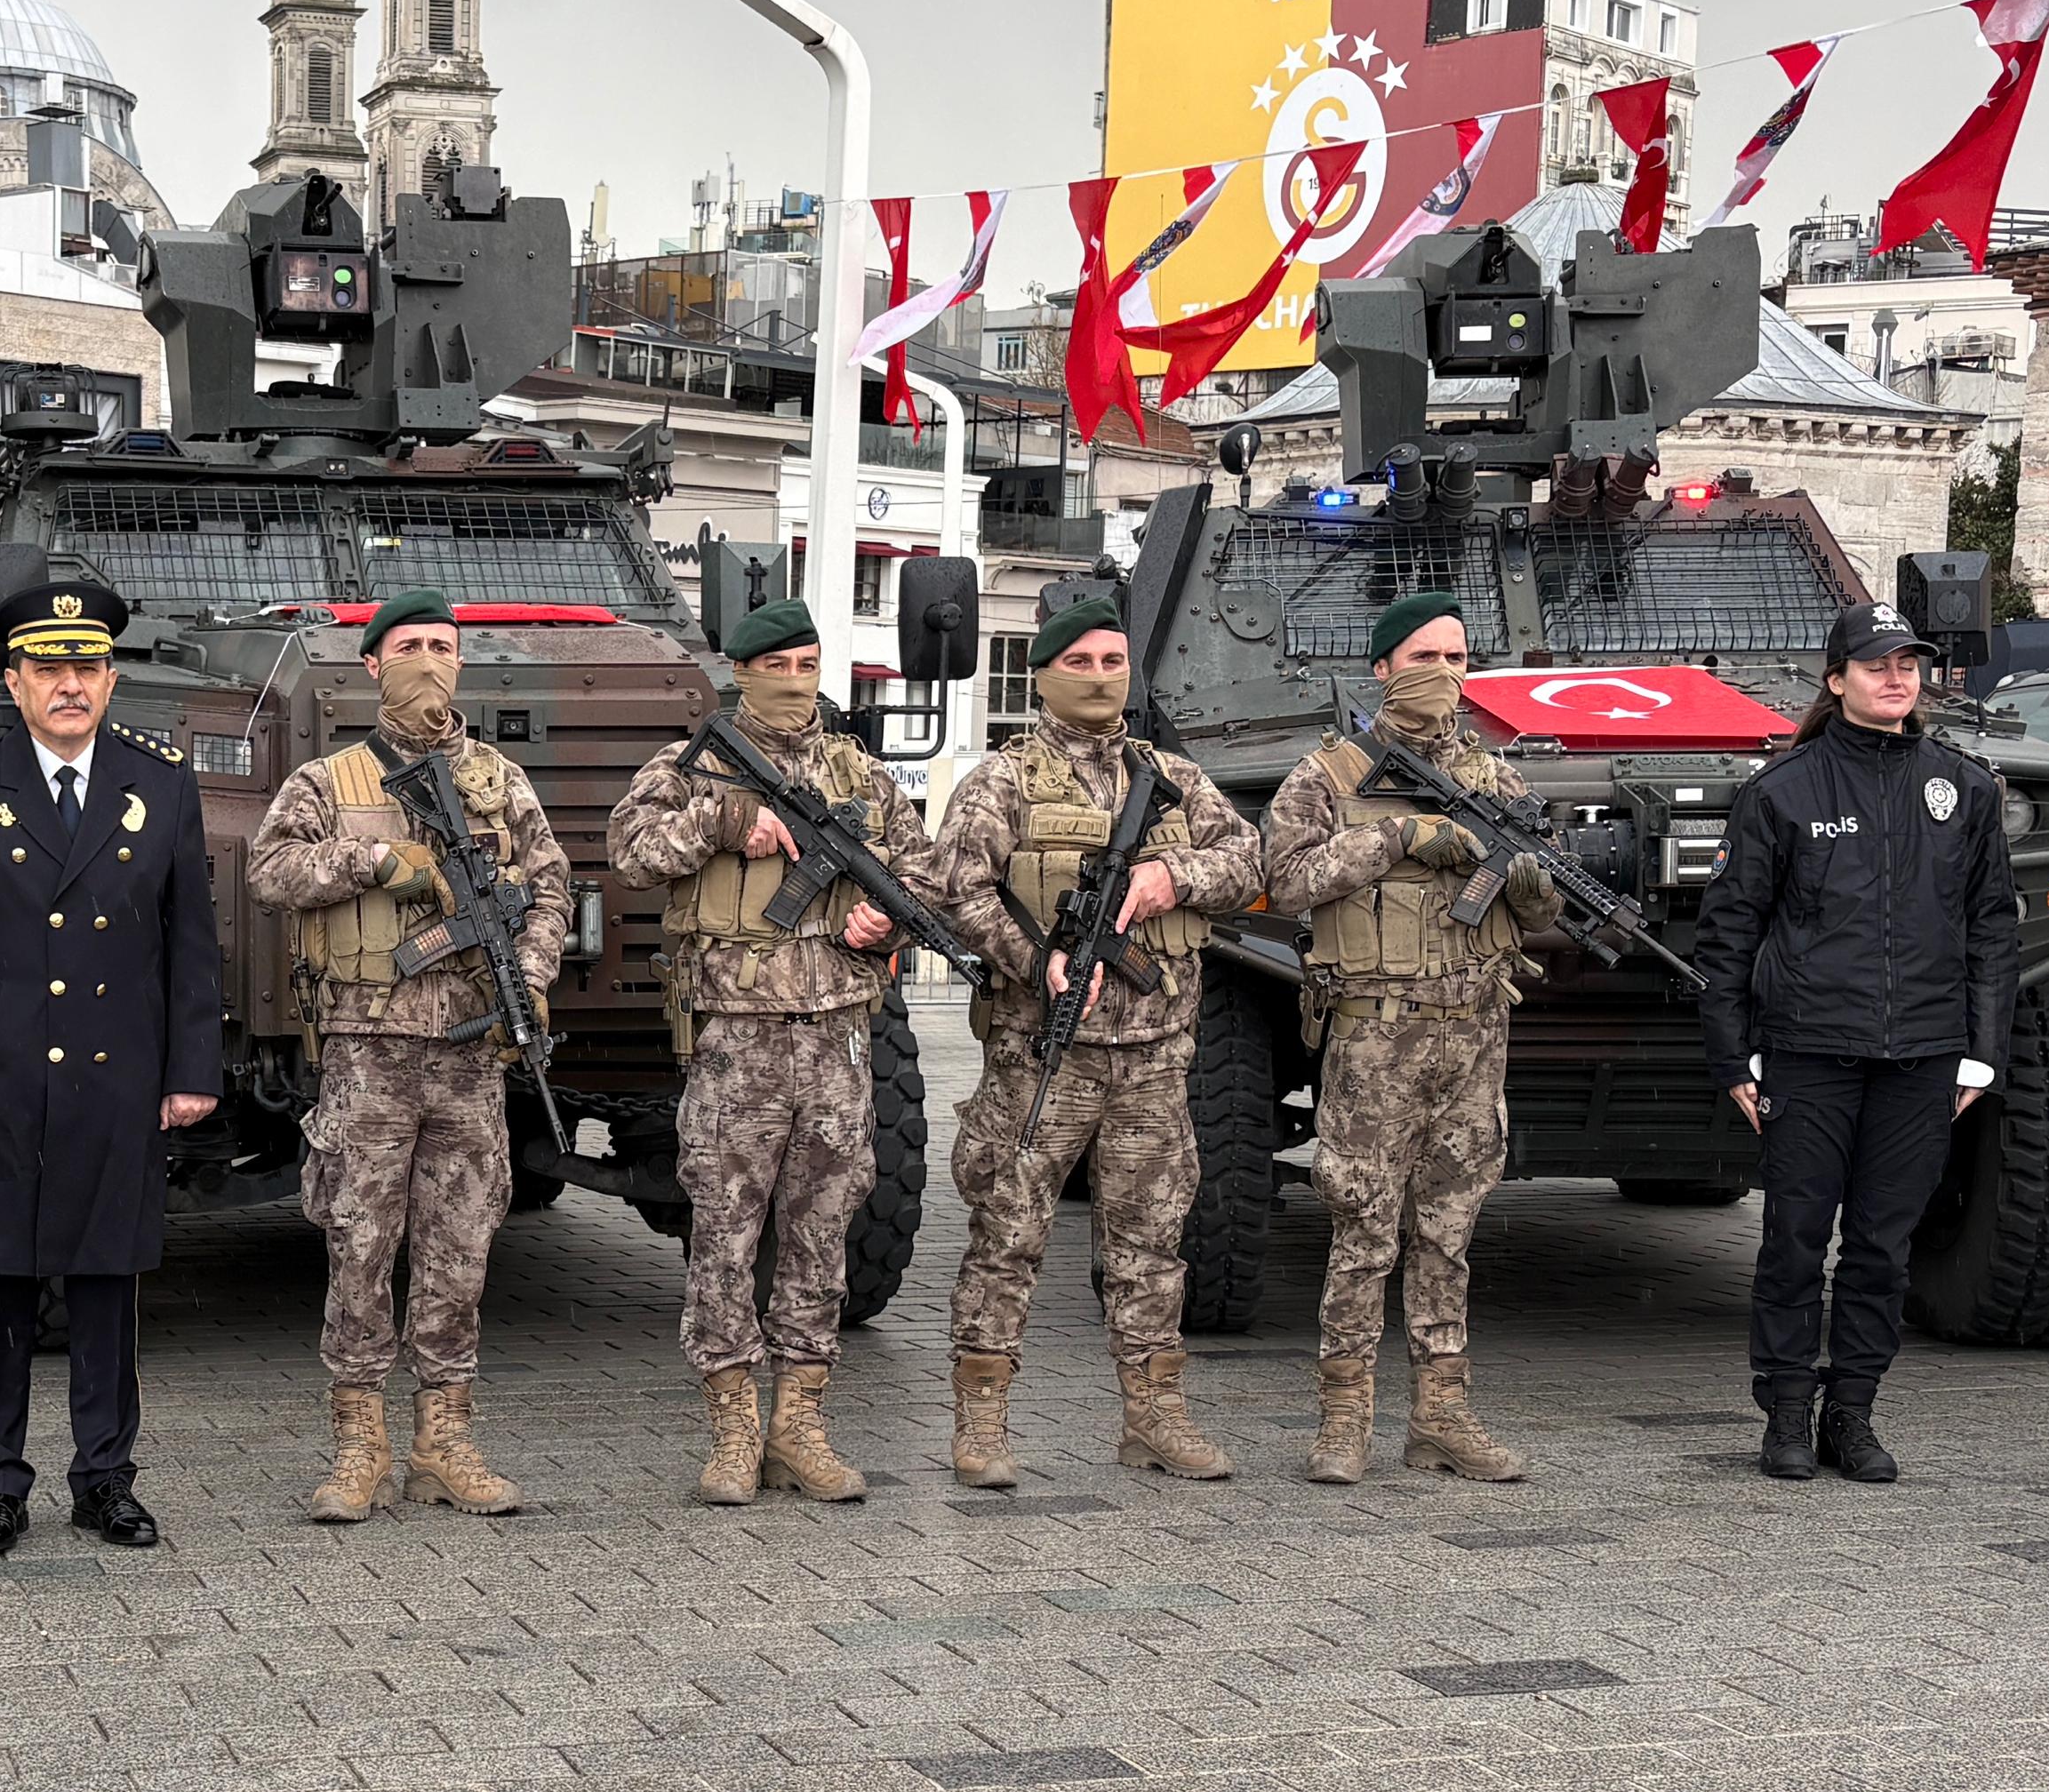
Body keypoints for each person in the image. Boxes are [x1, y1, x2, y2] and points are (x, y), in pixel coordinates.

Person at [0, 575, 220, 1553]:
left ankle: (104, 1478)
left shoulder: (159, 784)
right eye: (48, 668)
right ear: (13, 680)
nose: (69, 685)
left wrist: (191, 1069)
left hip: (116, 1083)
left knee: (106, 1284)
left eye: (87, 667)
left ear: (111, 679)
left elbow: (190, 945)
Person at [244, 593, 570, 1520]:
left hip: (469, 1057)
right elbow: (269, 871)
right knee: (358, 1246)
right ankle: (359, 1449)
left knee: (460, 1250)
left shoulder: (501, 782)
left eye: (443, 646)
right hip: (367, 1056)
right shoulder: (328, 780)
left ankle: (443, 1443)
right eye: (409, 646)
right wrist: (371, 863)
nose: (428, 660)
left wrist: (530, 977)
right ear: (372, 665)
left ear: (461, 663)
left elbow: (550, 887)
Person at [928, 595, 1263, 1488]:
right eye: (1078, 663)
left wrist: (1170, 876)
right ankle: (981, 1424)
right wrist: (1029, 959)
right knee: (1006, 1237)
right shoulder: (1001, 781)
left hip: (1154, 1056)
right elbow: (954, 888)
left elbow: (1249, 861)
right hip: (1043, 1055)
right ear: (1043, 676)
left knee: (1150, 1245)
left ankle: (1154, 1416)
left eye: (1112, 662)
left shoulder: (1172, 776)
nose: (1099, 678)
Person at [608, 597, 933, 1508]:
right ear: (741, 673)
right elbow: (629, 852)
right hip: (735, 1045)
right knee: (722, 1235)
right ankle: (732, 1430)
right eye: (776, 667)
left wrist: (885, 920)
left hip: (836, 1040)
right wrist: (721, 822)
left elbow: (925, 870)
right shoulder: (690, 765)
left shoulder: (859, 773)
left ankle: (799, 1425)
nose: (794, 682)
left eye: (807, 666)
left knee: (821, 1237)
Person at [1695, 599, 2017, 1485]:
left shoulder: (1963, 788)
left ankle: (1853, 1412)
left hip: (1922, 1057)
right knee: (1795, 1241)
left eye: (1907, 664)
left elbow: (1992, 927)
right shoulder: (1782, 790)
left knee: (1882, 1248)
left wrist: (1981, 1053)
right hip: (1808, 1054)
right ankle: (1786, 1412)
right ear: (1835, 681)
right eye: (1876, 664)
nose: (1895, 678)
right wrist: (1732, 1053)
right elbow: (1728, 931)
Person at [1259, 590, 1561, 1484]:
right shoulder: (1329, 775)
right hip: (1374, 1044)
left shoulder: (1496, 779)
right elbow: (1283, 880)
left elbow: (1540, 910)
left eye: (1457, 658)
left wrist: (1532, 884)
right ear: (1383, 668)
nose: (1443, 674)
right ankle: (1343, 1419)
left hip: (1471, 1041)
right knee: (1362, 1230)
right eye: (1424, 658)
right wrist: (1396, 835)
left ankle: (1441, 1415)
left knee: (1448, 1234)